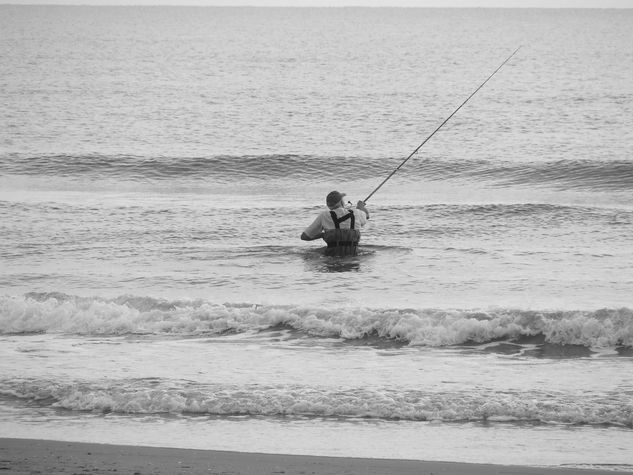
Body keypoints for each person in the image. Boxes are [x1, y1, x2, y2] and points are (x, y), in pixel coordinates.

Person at [301, 190, 370, 256]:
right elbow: (366, 215)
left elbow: (305, 237)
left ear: (328, 204)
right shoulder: (356, 213)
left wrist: (322, 235)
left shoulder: (324, 215)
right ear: (341, 202)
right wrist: (361, 207)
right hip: (353, 255)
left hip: (332, 256)